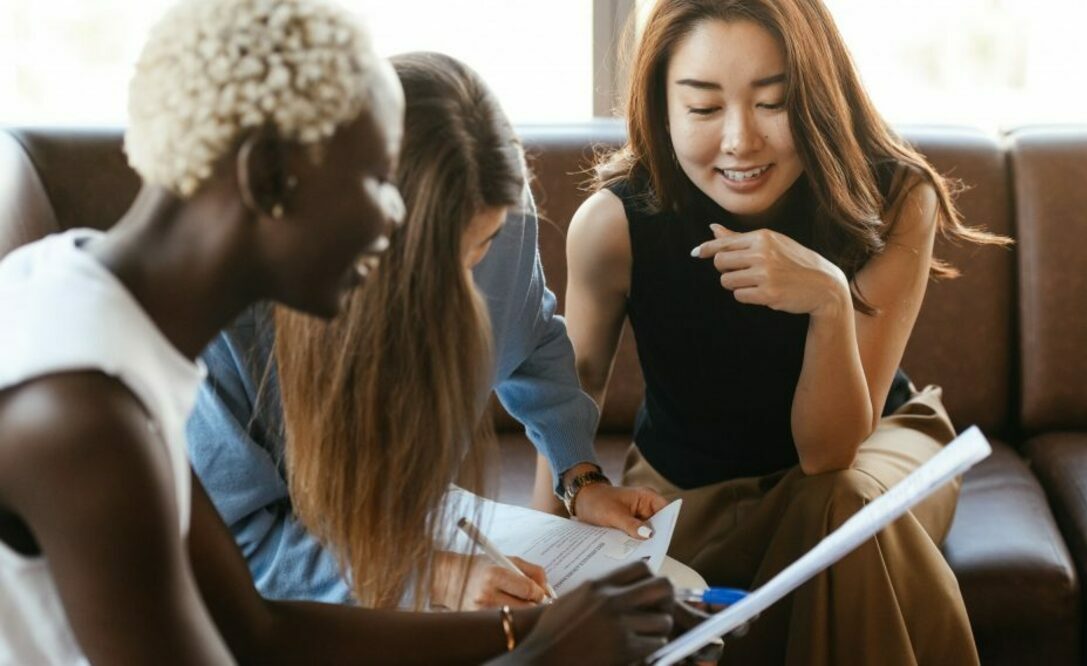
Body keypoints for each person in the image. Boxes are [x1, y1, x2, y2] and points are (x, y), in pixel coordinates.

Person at [0, 0, 676, 663]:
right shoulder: (80, 418)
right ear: (269, 178)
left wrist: (531, 632)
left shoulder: (100, 316)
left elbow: (257, 632)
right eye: (378, 178)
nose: (391, 222)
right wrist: (548, 652)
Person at [542, 0, 1012, 663]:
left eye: (773, 103)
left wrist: (828, 302)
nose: (740, 140)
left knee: (838, 509)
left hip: (873, 454)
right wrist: (537, 562)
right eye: (704, 109)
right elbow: (570, 390)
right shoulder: (613, 224)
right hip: (689, 483)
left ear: (818, 96)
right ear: (661, 107)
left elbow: (829, 453)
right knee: (830, 523)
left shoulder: (898, 199)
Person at [186, 51, 670, 609]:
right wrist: (433, 577)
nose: (465, 290)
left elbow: (532, 340)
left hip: (416, 532)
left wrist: (581, 478)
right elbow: (238, 547)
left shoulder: (503, 220)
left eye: (482, 247)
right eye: (438, 263)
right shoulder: (228, 314)